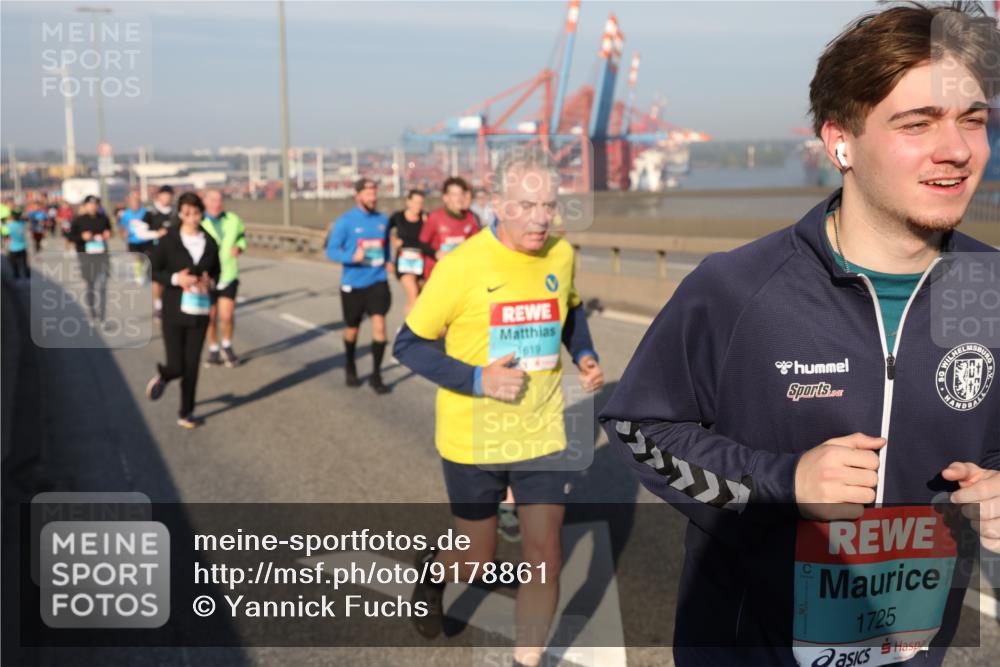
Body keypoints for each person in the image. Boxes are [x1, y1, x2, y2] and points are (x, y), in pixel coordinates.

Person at [599, 4, 1000, 666]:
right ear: (840, 142)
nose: (956, 149)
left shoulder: (986, 286)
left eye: (973, 121)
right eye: (917, 123)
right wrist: (783, 483)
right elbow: (640, 428)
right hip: (748, 647)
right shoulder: (738, 289)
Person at [394, 151, 604, 667]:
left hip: (541, 432)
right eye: (527, 205)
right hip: (473, 438)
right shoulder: (461, 266)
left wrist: (584, 353)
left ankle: (524, 661)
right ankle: (434, 572)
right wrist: (476, 378)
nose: (540, 218)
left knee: (545, 556)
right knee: (476, 557)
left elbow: (570, 309)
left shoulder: (560, 254)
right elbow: (409, 344)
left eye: (549, 206)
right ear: (498, 205)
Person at [145, 192, 220, 429]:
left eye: (196, 213)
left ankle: (186, 412)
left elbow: (217, 272)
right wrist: (177, 278)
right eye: (187, 213)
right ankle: (165, 376)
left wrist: (210, 283)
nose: (192, 217)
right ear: (180, 214)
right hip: (174, 311)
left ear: (201, 214)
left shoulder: (210, 242)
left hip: (199, 311)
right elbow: (151, 270)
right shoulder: (169, 241)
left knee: (192, 366)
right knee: (177, 365)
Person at [326, 178, 393, 394]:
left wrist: (390, 260)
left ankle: (376, 375)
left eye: (375, 193)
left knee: (380, 325)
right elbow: (331, 251)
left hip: (378, 280)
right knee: (352, 329)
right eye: (368, 194)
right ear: (358, 196)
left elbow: (386, 248)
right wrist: (351, 256)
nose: (372, 198)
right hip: (353, 284)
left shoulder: (383, 220)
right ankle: (350, 364)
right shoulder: (345, 221)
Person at [200, 189, 247, 368]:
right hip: (207, 277)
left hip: (228, 273)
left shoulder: (233, 220)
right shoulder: (199, 222)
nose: (217, 203)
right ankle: (213, 348)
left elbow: (242, 238)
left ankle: (226, 345)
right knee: (210, 318)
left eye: (219, 200)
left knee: (226, 316)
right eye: (212, 200)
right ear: (205, 202)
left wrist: (239, 248)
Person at [418, 176, 478, 280]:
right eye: (454, 194)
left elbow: (477, 243)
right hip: (437, 274)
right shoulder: (435, 217)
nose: (459, 198)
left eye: (461, 194)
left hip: (461, 273)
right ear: (445, 197)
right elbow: (422, 243)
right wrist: (436, 253)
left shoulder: (470, 217)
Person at [387, 189, 433, 315]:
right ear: (408, 202)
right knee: (413, 293)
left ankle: (411, 327)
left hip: (421, 263)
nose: (418, 206)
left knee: (420, 297)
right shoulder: (398, 217)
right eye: (415, 202)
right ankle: (409, 332)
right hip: (404, 263)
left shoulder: (426, 217)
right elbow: (384, 231)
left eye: (421, 203)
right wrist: (394, 239)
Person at [69, 195, 112, 322]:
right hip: (86, 257)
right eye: (90, 204)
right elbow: (71, 238)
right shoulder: (79, 220)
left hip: (102, 256)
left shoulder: (103, 218)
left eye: (95, 204)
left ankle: (102, 313)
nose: (93, 207)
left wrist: (107, 233)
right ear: (85, 205)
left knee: (103, 284)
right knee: (91, 284)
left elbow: (109, 230)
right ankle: (92, 310)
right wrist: (82, 237)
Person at [143, 185, 177, 319]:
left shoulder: (176, 212)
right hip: (155, 250)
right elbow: (141, 232)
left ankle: (169, 303)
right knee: (157, 278)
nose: (167, 198)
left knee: (169, 279)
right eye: (164, 195)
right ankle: (158, 306)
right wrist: (156, 234)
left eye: (169, 196)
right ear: (159, 196)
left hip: (173, 251)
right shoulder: (150, 212)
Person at [119, 191, 161, 285]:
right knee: (137, 258)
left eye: (136, 202)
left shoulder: (145, 213)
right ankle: (139, 275)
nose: (135, 204)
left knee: (148, 259)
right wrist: (123, 233)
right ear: (129, 203)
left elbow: (152, 224)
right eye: (132, 202)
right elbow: (122, 228)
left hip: (146, 240)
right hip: (133, 241)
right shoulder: (126, 215)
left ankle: (146, 272)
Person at [1, 204, 29, 281]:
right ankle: (27, 275)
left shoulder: (10, 226)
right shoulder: (22, 224)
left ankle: (17, 276)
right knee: (24, 263)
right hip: (23, 246)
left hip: (13, 248)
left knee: (14, 263)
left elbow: (3, 229)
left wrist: (4, 219)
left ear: (13, 216)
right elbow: (24, 219)